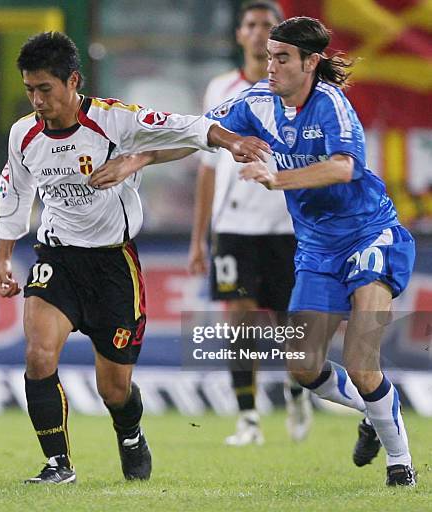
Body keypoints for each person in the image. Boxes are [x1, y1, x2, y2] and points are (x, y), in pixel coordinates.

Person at [92, 16, 417, 487]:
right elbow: (198, 134)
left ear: (310, 62)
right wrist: (140, 157)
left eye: (282, 58)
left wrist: (277, 178)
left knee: (363, 360)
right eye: (269, 56)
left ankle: (400, 465)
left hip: (370, 236)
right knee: (304, 367)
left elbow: (344, 168)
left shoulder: (332, 106)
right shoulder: (256, 102)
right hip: (317, 248)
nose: (271, 66)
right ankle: (375, 408)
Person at [0, 31, 270, 484]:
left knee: (114, 388)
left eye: (45, 88)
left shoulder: (114, 120)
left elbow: (188, 126)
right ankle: (58, 464)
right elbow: (14, 194)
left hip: (112, 266)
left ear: (72, 81)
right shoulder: (23, 135)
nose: (37, 100)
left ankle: (130, 433)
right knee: (39, 356)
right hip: (57, 258)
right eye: (30, 89)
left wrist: (230, 140)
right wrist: (4, 258)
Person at [189, 0, 311, 447]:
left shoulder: (300, 88)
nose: (260, 33)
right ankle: (248, 419)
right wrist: (198, 239)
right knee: (239, 321)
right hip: (235, 228)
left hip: (288, 226)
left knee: (291, 326)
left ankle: (299, 391)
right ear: (240, 34)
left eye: (269, 26)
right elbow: (206, 168)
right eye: (252, 25)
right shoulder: (221, 88)